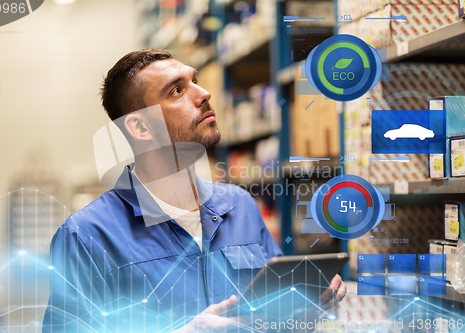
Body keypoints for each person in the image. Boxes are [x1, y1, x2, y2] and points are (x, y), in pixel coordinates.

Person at [42, 49, 346, 333]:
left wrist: (304, 310)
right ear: (141, 128)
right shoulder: (87, 236)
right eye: (177, 90)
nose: (204, 94)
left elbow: (271, 313)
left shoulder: (239, 205)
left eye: (195, 81)